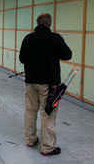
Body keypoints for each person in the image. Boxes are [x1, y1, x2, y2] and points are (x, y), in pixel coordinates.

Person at [19, 13, 72, 156]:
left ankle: (30, 140)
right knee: (48, 113)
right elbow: (68, 55)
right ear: (50, 23)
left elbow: (22, 58)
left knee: (30, 110)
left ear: (37, 23)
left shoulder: (28, 38)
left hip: (30, 82)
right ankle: (48, 147)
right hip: (49, 85)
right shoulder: (55, 38)